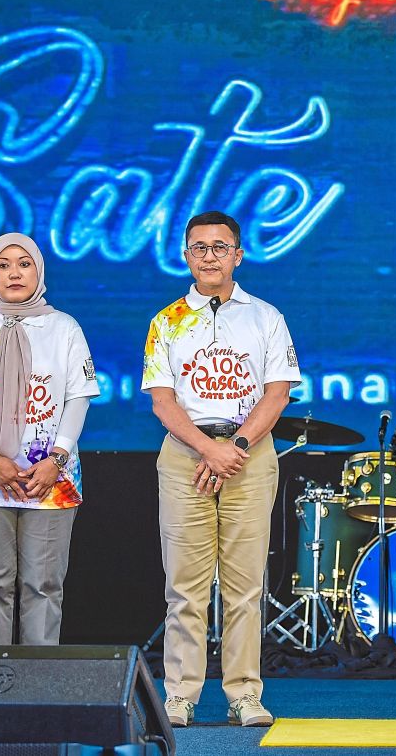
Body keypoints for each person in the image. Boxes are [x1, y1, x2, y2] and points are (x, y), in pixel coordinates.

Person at [142, 211, 300, 728]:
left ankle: (244, 696)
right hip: (185, 454)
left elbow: (278, 394)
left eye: (220, 247)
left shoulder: (267, 317)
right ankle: (180, 697)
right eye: (200, 247)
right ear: (186, 256)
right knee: (184, 588)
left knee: (244, 587)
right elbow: (163, 403)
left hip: (249, 455)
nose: (210, 255)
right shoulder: (167, 321)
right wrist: (207, 450)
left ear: (238, 255)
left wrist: (234, 446)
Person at [0, 233, 99, 646]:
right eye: (4, 264)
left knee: (44, 585)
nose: (14, 272)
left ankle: (38, 685)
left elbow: (78, 399)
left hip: (51, 480)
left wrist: (57, 459)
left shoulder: (64, 327)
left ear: (39, 271)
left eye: (24, 263)